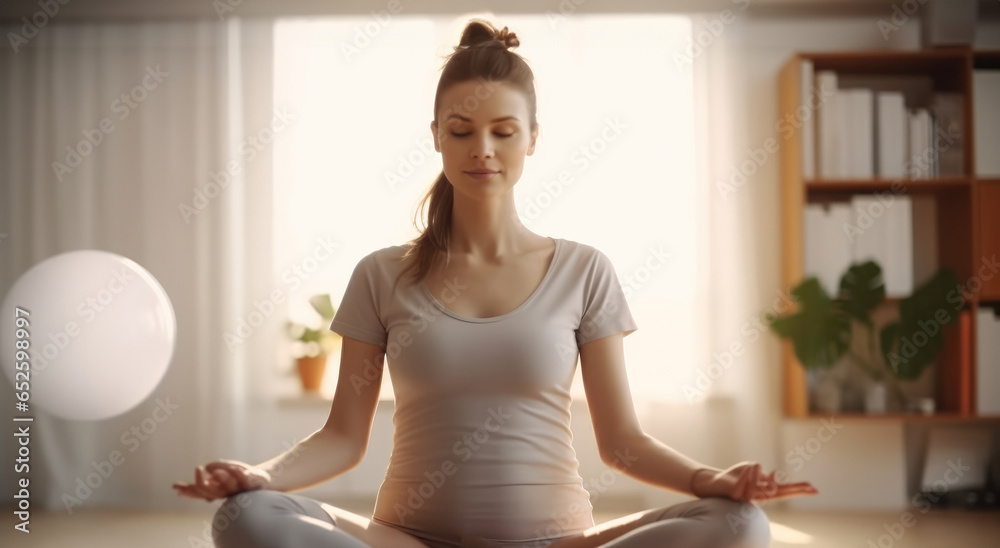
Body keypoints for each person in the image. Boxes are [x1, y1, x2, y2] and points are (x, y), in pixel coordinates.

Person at [173, 18, 818, 548]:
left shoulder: (584, 270)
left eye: (503, 132)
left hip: (559, 543)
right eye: (462, 131)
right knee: (245, 516)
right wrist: (257, 475)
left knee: (740, 525)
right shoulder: (381, 274)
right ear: (436, 138)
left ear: (532, 139)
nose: (483, 147)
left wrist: (712, 480)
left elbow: (622, 443)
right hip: (409, 542)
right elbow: (343, 437)